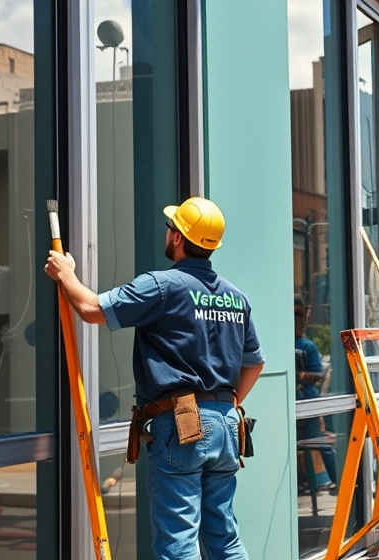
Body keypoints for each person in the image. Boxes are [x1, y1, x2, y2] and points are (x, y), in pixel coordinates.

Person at [44, 197, 263, 560]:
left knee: (178, 544)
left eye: (170, 227)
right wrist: (226, 405)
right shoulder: (235, 297)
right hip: (227, 424)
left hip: (182, 424)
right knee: (224, 538)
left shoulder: (163, 287)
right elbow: (254, 363)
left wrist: (66, 274)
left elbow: (90, 309)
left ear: (178, 237)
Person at [295, 298, 337, 494]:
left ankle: (336, 479)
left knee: (317, 442)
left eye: (299, 316)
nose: (298, 321)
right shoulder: (287, 343)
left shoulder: (307, 346)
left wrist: (300, 376)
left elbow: (319, 375)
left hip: (307, 402)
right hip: (296, 403)